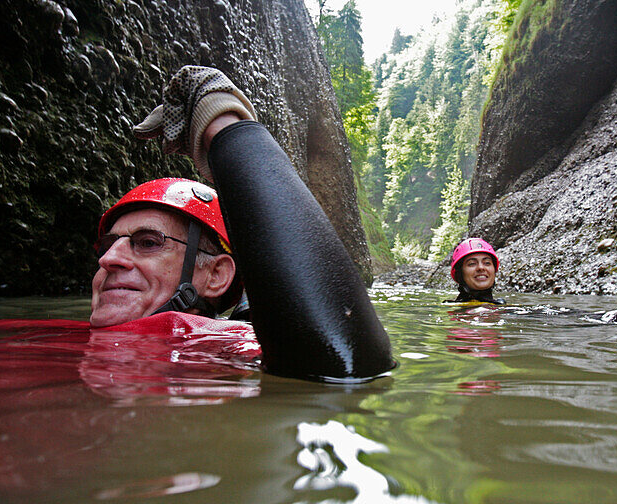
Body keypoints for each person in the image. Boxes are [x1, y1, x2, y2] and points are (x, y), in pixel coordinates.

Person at [90, 66, 395, 383]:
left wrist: (223, 124)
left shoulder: (225, 349)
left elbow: (345, 364)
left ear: (217, 275)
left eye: (149, 242)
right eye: (108, 244)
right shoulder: (39, 333)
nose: (108, 259)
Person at [446, 237, 617, 325]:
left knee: (552, 312)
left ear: (494, 270)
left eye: (486, 262)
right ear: (459, 274)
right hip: (510, 320)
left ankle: (616, 316)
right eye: (472, 263)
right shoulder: (457, 309)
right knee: (541, 316)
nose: (481, 268)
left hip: (513, 314)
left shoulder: (500, 303)